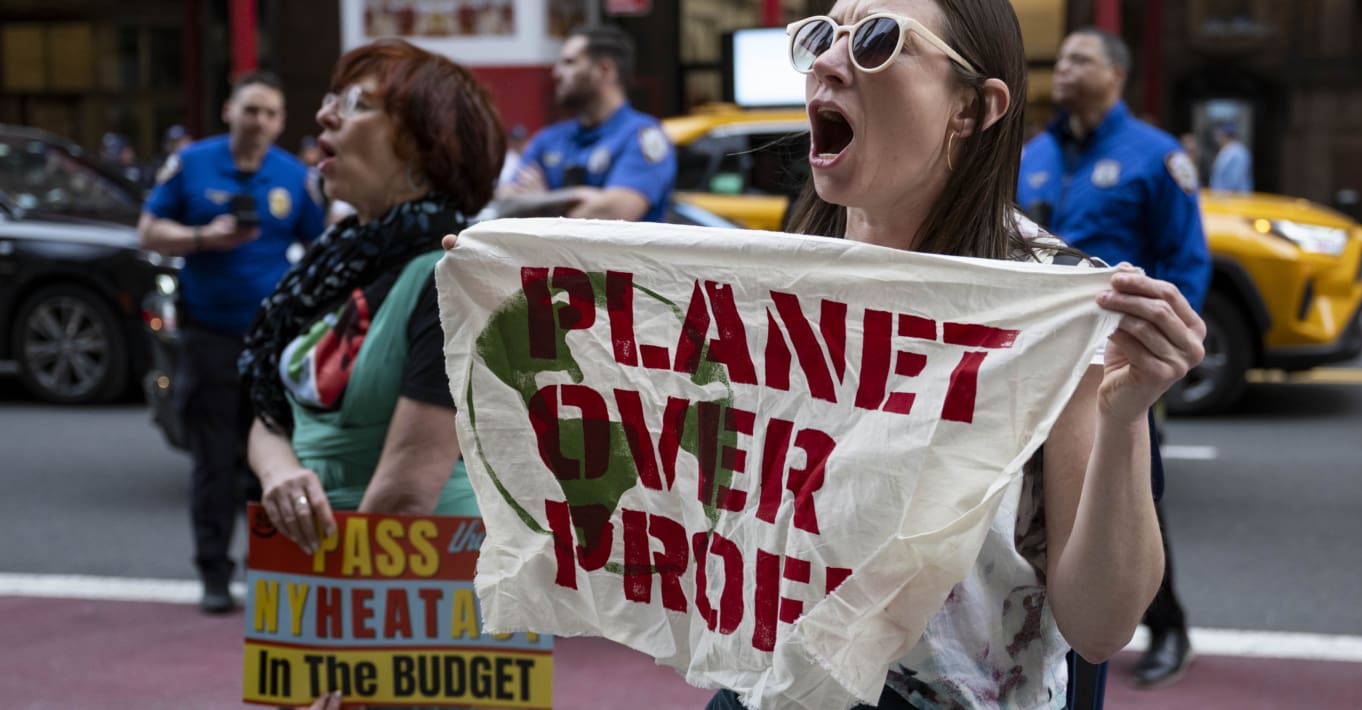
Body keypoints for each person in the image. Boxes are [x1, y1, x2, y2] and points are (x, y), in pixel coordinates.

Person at [699, 2, 1204, 708]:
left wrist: (1125, 418)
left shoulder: (1052, 307)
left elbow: (1102, 626)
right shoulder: (779, 278)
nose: (826, 62)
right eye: (822, 34)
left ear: (971, 109)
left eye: (876, 40)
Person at [240, 36, 504, 595]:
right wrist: (279, 472)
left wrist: (334, 636)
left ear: (422, 148)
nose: (323, 114)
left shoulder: (452, 276)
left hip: (408, 605)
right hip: (329, 580)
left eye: (357, 104)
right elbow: (271, 413)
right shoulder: (339, 263)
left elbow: (406, 496)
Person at [1017, 27, 1211, 694]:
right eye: (1061, 56)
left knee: (1125, 507)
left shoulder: (1155, 157)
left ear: (1118, 75)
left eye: (1081, 58)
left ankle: (1169, 626)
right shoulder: (1034, 154)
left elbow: (1187, 259)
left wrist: (1161, 351)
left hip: (1118, 371)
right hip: (1037, 370)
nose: (1063, 67)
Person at [139, 70, 324, 614]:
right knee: (213, 462)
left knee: (269, 465)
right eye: (251, 110)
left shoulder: (293, 175)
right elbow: (148, 229)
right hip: (208, 337)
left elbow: (319, 248)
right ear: (229, 112)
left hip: (272, 345)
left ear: (281, 122)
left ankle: (264, 571)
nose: (259, 122)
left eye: (270, 114)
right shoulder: (193, 164)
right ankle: (214, 574)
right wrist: (201, 237)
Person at [495, 24, 675, 221]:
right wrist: (579, 197)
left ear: (604, 70)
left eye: (569, 62)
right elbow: (505, 203)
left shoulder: (642, 136)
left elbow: (613, 215)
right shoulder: (549, 138)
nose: (557, 73)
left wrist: (539, 201)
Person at [1209, 122, 1252, 193]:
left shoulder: (1238, 152)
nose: (1216, 138)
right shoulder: (1225, 150)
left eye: (1218, 135)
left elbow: (1234, 181)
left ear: (1224, 135)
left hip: (1234, 200)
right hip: (1223, 200)